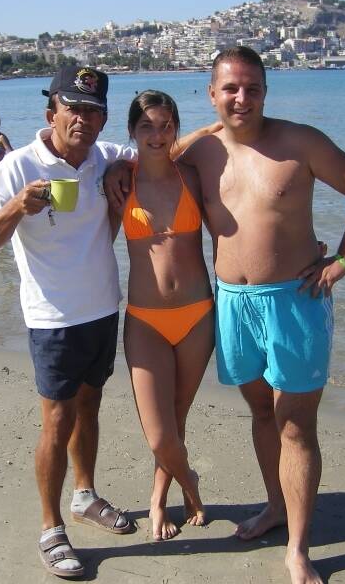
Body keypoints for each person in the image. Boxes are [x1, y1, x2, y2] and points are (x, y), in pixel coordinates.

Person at [106, 46, 345, 584]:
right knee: (260, 414)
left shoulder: (300, 142)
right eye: (230, 88)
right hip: (233, 302)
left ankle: (298, 549)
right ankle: (276, 506)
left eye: (252, 88)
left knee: (295, 425)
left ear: (265, 92)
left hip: (294, 301)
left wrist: (343, 261)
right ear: (212, 93)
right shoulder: (199, 152)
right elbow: (153, 152)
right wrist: (120, 164)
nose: (241, 98)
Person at [0, 66, 137, 579]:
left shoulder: (106, 154)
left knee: (90, 405)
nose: (83, 119)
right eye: (74, 109)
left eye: (93, 111)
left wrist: (122, 166)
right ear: (52, 114)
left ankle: (84, 496)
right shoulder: (18, 166)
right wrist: (18, 207)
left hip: (103, 306)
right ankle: (51, 528)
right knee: (58, 420)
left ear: (103, 119)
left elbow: (159, 147)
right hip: (52, 318)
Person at [118, 90, 212, 541]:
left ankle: (158, 499)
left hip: (197, 317)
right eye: (146, 126)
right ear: (131, 131)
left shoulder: (192, 176)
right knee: (160, 434)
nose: (157, 135)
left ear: (176, 127)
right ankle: (190, 483)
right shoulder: (120, 181)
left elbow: (239, 219)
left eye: (166, 125)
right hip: (145, 320)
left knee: (177, 418)